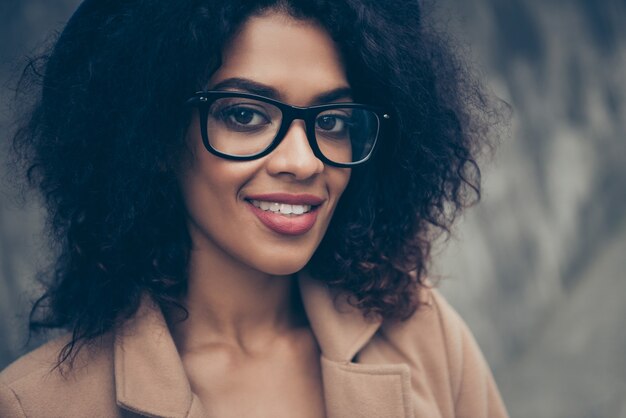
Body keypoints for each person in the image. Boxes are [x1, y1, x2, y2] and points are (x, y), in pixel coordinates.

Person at [0, 0, 508, 417]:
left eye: (332, 121)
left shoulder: (423, 330)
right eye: (244, 115)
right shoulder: (37, 404)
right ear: (152, 137)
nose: (304, 161)